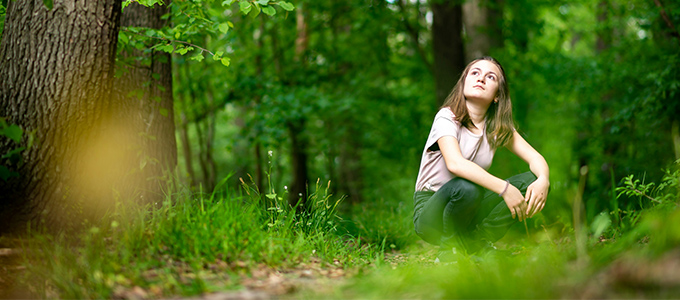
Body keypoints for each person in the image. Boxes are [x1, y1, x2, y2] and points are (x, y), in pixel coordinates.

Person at [413, 56, 550, 261]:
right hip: (431, 212)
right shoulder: (447, 117)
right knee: (467, 187)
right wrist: (505, 188)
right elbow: (455, 164)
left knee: (531, 181)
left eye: (490, 77)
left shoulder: (496, 128)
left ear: (497, 95)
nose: (481, 79)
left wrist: (544, 180)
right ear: (464, 82)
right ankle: (448, 249)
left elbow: (535, 158)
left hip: (471, 207)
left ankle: (476, 241)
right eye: (475, 73)